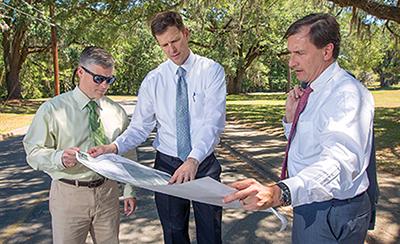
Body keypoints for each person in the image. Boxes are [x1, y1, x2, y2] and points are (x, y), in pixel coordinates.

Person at [224, 13, 375, 244]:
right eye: (291, 53)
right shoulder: (313, 89)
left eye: (300, 53)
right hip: (310, 198)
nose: (291, 62)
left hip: (331, 208)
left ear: (327, 51)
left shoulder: (346, 95)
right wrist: (290, 119)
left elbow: (341, 163)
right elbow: (308, 145)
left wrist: (280, 192)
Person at [89, 10, 226, 244]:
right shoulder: (153, 80)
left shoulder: (211, 71)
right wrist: (113, 147)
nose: (172, 50)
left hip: (202, 163)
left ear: (186, 33)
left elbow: (212, 123)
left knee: (210, 233)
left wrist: (192, 160)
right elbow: (140, 128)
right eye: (164, 45)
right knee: (173, 233)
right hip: (167, 166)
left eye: (175, 40)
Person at [23, 46, 137, 244]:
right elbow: (33, 152)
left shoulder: (116, 111)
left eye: (109, 80)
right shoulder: (52, 109)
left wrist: (129, 190)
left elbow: (127, 153)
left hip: (108, 193)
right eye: (99, 79)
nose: (104, 86)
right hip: (69, 194)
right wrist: (59, 158)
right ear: (80, 72)